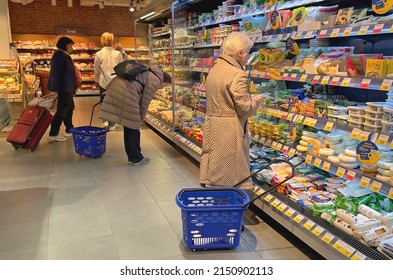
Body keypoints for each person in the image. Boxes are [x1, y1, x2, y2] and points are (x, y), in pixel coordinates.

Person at [200, 32, 263, 189]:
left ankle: (217, 201)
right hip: (229, 130)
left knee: (216, 168)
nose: (248, 58)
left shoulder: (215, 69)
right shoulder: (237, 74)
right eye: (247, 53)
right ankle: (228, 207)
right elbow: (245, 109)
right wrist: (255, 102)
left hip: (213, 124)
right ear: (240, 52)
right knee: (232, 175)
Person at [98, 66, 171, 165]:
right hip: (126, 92)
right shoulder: (156, 80)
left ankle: (132, 157)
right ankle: (136, 158)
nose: (162, 88)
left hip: (119, 87)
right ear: (164, 80)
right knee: (134, 127)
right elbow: (145, 101)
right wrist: (141, 117)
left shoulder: (151, 73)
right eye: (165, 85)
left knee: (128, 126)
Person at [47, 36, 77, 142]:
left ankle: (69, 129)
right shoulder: (59, 56)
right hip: (63, 88)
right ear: (65, 45)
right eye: (71, 45)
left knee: (69, 107)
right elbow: (55, 73)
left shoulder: (64, 56)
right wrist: (54, 89)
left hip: (67, 87)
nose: (72, 48)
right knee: (62, 109)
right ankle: (53, 133)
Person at [94, 32, 124, 130]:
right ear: (112, 40)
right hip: (116, 82)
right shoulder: (118, 53)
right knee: (114, 102)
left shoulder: (99, 54)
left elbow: (96, 69)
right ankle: (112, 123)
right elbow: (122, 68)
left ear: (102, 41)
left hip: (104, 82)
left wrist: (96, 80)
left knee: (104, 101)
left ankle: (105, 121)